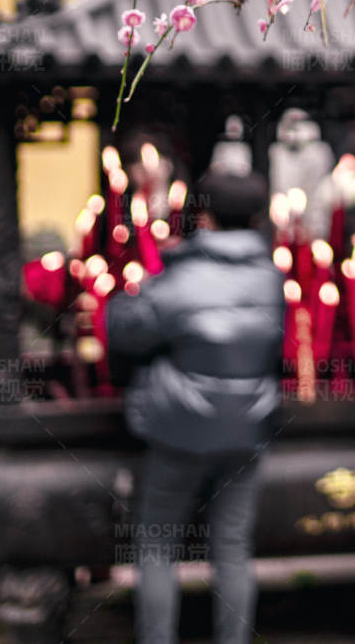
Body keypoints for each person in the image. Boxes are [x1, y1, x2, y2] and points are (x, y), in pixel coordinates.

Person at [106, 170, 283, 644]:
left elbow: (127, 332)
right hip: (248, 429)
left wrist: (123, 296)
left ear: (202, 216)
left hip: (178, 431)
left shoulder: (181, 277)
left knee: (158, 543)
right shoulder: (271, 278)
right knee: (231, 546)